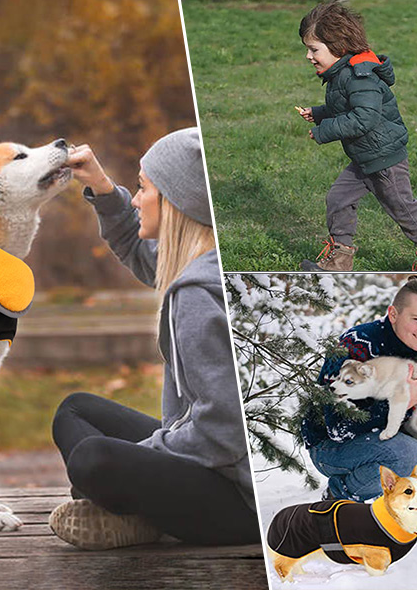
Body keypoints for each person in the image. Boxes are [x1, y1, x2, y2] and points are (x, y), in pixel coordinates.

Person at [48, 128, 259, 549]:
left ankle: (137, 513)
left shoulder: (199, 296)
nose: (136, 198)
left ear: (178, 202)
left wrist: (144, 456)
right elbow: (141, 252)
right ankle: (136, 508)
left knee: (94, 459)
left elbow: (224, 433)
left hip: (241, 502)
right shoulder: (209, 259)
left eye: (143, 188)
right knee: (75, 409)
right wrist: (102, 187)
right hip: (220, 465)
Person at [294, 0, 417, 272]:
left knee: (403, 209)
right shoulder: (341, 74)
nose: (309, 56)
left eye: (313, 50)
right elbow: (347, 106)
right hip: (364, 157)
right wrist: (320, 113)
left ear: (338, 47)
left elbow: (364, 118)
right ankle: (340, 260)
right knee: (338, 198)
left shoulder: (359, 76)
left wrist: (324, 131)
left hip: (384, 159)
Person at [302, 277, 417, 503]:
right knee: (410, 455)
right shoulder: (357, 344)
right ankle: (339, 495)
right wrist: (404, 403)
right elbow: (337, 428)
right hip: (330, 446)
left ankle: (392, 494)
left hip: (384, 436)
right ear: (393, 314)